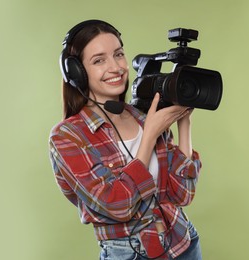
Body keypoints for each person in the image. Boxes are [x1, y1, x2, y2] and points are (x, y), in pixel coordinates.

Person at [48, 19, 203, 259]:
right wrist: (149, 136)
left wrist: (184, 120)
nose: (116, 67)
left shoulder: (144, 116)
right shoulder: (67, 137)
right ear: (77, 73)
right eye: (99, 60)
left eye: (118, 54)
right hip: (129, 253)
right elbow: (118, 205)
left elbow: (183, 194)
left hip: (184, 244)